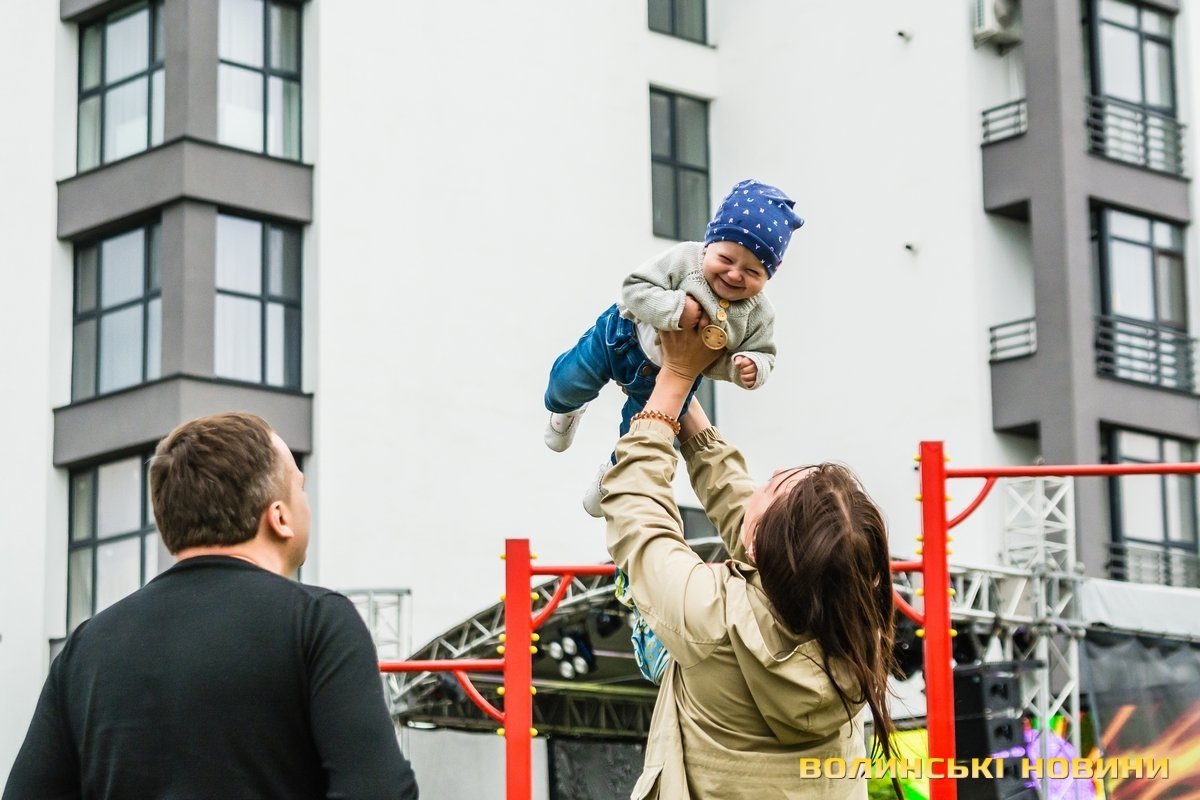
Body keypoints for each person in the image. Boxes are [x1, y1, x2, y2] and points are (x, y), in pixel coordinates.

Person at [3, 412, 419, 800]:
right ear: (279, 517)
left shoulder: (85, 648)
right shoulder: (318, 622)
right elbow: (379, 790)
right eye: (300, 487)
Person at [601, 321, 901, 799]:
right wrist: (678, 390)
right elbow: (764, 528)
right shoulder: (857, 624)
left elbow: (637, 512)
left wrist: (673, 380)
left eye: (773, 485)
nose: (771, 474)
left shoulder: (713, 618)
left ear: (759, 549)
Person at [543, 178, 805, 518]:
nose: (735, 275)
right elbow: (633, 288)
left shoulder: (759, 313)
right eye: (726, 259)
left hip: (664, 380)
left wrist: (752, 367)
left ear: (770, 274)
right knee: (567, 382)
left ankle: (611, 477)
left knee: (641, 436)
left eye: (752, 271)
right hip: (621, 336)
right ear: (710, 242)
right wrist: (676, 309)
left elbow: (764, 353)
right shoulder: (684, 260)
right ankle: (568, 407)